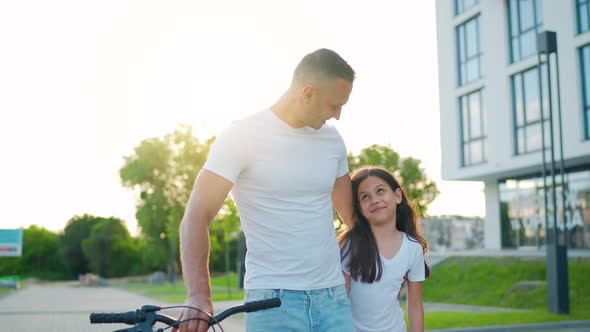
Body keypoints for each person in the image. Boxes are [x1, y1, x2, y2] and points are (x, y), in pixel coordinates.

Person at [174, 48, 356, 332]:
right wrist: (198, 295)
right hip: (273, 302)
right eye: (334, 105)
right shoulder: (242, 135)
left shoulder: (332, 141)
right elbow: (196, 214)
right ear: (307, 93)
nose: (338, 115)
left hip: (333, 298)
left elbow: (354, 218)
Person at [339, 166, 430, 332]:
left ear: (397, 196)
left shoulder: (412, 248)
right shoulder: (350, 244)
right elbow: (340, 301)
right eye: (365, 197)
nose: (374, 200)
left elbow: (415, 304)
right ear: (359, 207)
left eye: (380, 191)